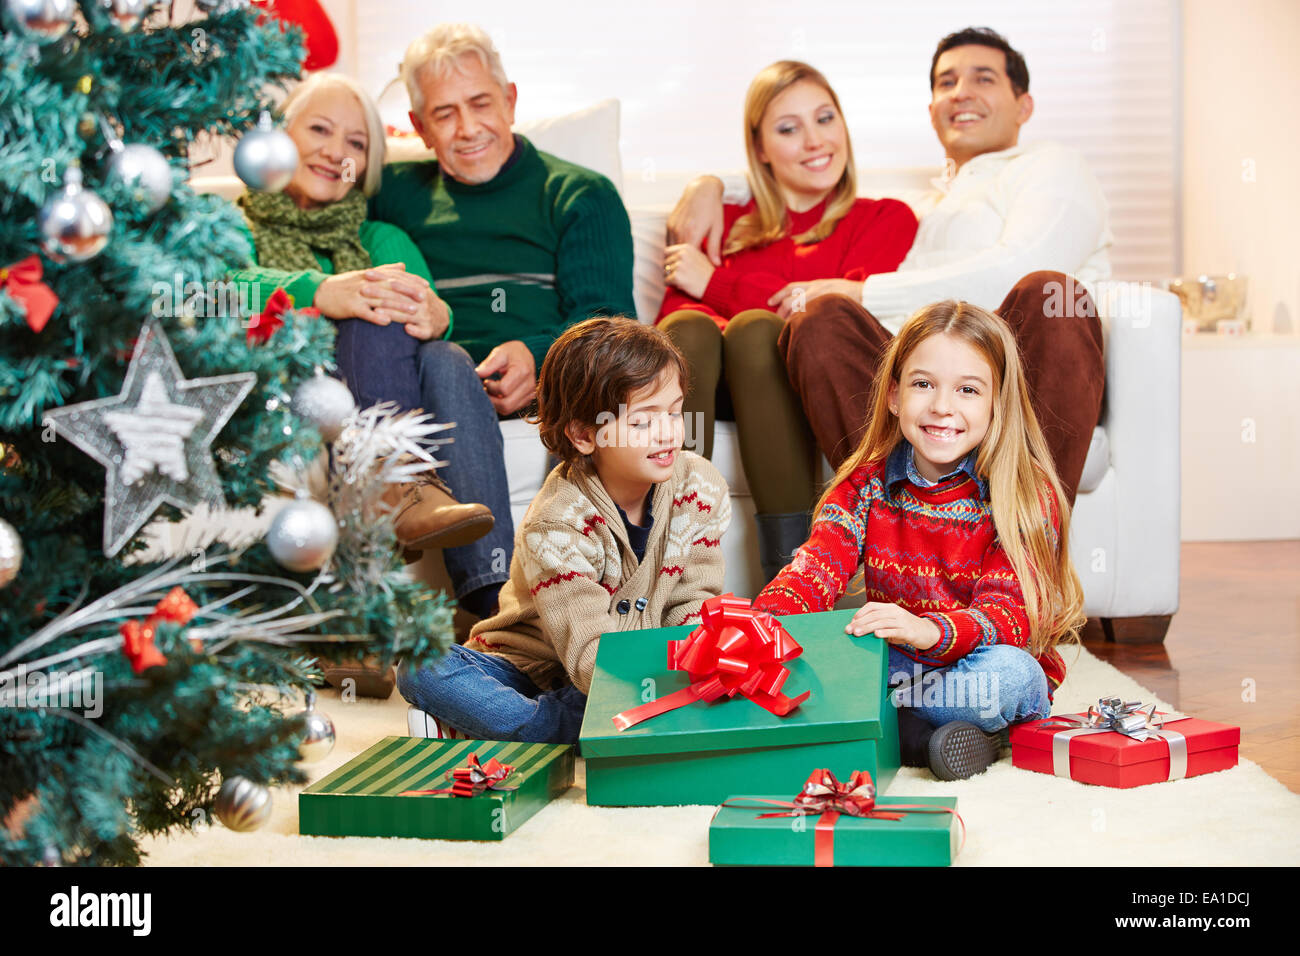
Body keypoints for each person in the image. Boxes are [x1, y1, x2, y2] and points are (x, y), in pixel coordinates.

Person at [668, 26, 1109, 505]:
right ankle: (907, 529)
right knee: (820, 319)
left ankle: (1029, 536)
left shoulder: (1052, 166)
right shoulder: (926, 205)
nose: (961, 92)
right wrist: (708, 184)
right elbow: (801, 181)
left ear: (1024, 105)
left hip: (1017, 377)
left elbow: (1026, 265)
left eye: (983, 78)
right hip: (918, 386)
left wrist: (864, 293)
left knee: (1050, 290)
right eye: (946, 82)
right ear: (932, 111)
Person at [368, 23, 636, 623]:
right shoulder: (393, 196)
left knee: (464, 361)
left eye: (481, 104)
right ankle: (494, 607)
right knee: (443, 359)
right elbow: (310, 215)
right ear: (418, 126)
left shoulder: (578, 194)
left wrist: (539, 357)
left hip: (548, 391)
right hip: (431, 387)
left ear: (510, 100)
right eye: (444, 113)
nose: (467, 129)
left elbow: (613, 322)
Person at [753, 300, 1085, 780]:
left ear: (997, 403)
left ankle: (892, 725)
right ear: (893, 395)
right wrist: (761, 626)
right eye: (923, 384)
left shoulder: (1024, 494)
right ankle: (933, 736)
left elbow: (1007, 617)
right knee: (823, 652)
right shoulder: (863, 486)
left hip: (979, 665)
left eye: (967, 390)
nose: (941, 407)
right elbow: (815, 569)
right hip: (898, 667)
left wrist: (931, 632)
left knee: (1013, 675)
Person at [398, 318, 731, 743]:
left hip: (633, 670)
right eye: (643, 421)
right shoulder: (555, 521)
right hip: (531, 668)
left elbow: (692, 602)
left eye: (674, 411)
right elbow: (591, 655)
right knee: (421, 664)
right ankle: (556, 728)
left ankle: (498, 724)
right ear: (583, 433)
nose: (668, 433)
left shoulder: (699, 487)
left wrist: (699, 667)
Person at [657, 61, 917, 584]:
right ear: (759, 148)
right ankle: (668, 561)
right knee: (691, 328)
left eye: (825, 119)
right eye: (788, 128)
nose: (814, 141)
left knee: (756, 332)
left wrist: (719, 286)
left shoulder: (884, 218)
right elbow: (675, 321)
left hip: (794, 385)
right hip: (704, 384)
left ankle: (792, 574)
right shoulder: (720, 220)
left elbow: (827, 315)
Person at [227, 72, 492, 554]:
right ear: (280, 135)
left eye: (356, 142)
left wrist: (438, 316)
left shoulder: (381, 240)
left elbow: (426, 315)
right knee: (377, 302)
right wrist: (321, 291)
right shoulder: (228, 227)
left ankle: (491, 592)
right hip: (291, 390)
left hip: (389, 391)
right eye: (319, 130)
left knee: (447, 357)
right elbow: (218, 289)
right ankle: (391, 489)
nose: (335, 152)